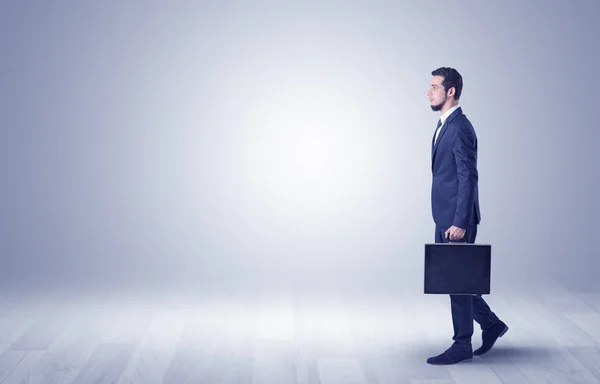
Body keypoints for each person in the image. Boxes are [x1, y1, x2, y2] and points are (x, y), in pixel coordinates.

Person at [426, 67, 508, 365]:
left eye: (435, 86)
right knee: (452, 281)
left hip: (457, 219)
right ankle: (491, 324)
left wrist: (460, 221)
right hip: (444, 215)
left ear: (451, 91)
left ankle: (462, 345)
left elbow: (468, 177)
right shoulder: (444, 124)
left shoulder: (460, 127)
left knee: (457, 283)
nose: (429, 91)